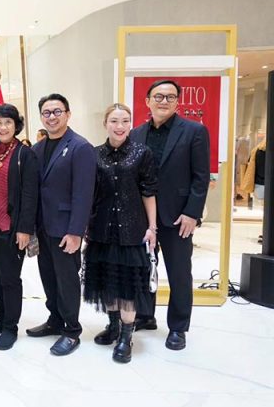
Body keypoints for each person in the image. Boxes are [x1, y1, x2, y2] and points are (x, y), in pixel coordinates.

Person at [131, 79, 210, 350]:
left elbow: (201, 177)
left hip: (178, 218)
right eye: (158, 96)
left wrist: (192, 213)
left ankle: (178, 327)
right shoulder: (136, 134)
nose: (163, 101)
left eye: (170, 97)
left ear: (177, 102)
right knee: (142, 269)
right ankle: (145, 316)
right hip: (143, 218)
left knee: (179, 274)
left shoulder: (195, 131)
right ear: (148, 101)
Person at [83, 104, 158, 363]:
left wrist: (152, 227)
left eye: (125, 121)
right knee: (108, 282)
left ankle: (127, 336)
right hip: (101, 229)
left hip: (131, 231)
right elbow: (90, 194)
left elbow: (149, 192)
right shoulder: (94, 154)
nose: (120, 126)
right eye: (114, 121)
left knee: (127, 286)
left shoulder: (142, 153)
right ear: (105, 123)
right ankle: (113, 325)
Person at [26, 93, 96, 356]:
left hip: (66, 228)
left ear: (68, 114)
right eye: (46, 112)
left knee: (67, 280)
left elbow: (83, 194)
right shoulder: (38, 148)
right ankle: (54, 319)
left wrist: (76, 231)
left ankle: (71, 330)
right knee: (48, 276)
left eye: (57, 111)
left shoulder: (80, 147)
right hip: (43, 227)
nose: (52, 117)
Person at [0, 104, 39, 351]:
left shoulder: (25, 154)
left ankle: (10, 327)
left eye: (7, 122)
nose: (3, 127)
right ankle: (1, 318)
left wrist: (25, 229)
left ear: (16, 126)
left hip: (12, 229)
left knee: (10, 279)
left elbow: (30, 195)